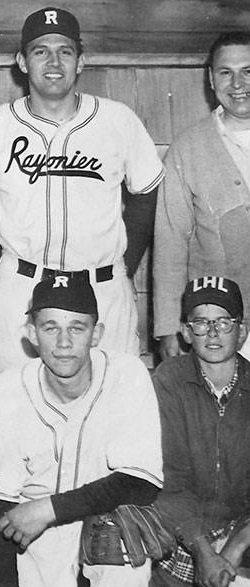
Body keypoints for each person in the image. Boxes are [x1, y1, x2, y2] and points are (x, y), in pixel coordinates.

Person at [0, 271, 162, 587]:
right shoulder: (9, 389)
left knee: (124, 535)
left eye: (77, 327)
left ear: (96, 333)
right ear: (30, 334)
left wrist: (48, 507)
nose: (64, 342)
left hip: (103, 519)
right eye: (50, 327)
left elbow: (140, 480)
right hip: (34, 535)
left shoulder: (127, 374)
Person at [0, 7, 163, 382]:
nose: (53, 62)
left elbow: (146, 194)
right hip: (21, 287)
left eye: (65, 51)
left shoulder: (117, 120)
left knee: (110, 408)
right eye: (40, 51)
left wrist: (124, 264)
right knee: (9, 410)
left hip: (101, 287)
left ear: (80, 61)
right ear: (22, 61)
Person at [148, 276, 250, 587]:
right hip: (186, 532)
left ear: (242, 330)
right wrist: (205, 551)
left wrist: (236, 547)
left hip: (241, 528)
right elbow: (166, 480)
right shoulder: (168, 381)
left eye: (224, 321)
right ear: (186, 332)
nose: (212, 332)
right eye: (201, 322)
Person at [153, 32, 250, 359]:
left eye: (248, 71)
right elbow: (170, 243)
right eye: (226, 72)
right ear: (211, 78)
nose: (238, 83)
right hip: (217, 327)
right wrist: (168, 327)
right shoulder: (187, 149)